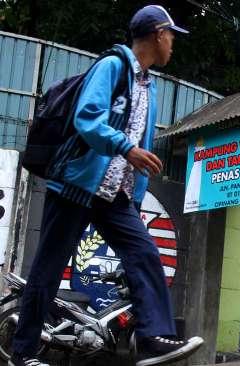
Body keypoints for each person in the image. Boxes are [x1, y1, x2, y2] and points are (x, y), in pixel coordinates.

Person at [10, 5, 204, 366]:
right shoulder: (113, 66)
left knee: (145, 254)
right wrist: (127, 148)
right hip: (76, 186)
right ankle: (22, 353)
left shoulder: (149, 86)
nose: (173, 44)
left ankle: (151, 339)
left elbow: (138, 144)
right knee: (48, 270)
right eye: (172, 36)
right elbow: (87, 117)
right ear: (158, 34)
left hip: (115, 195)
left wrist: (136, 189)